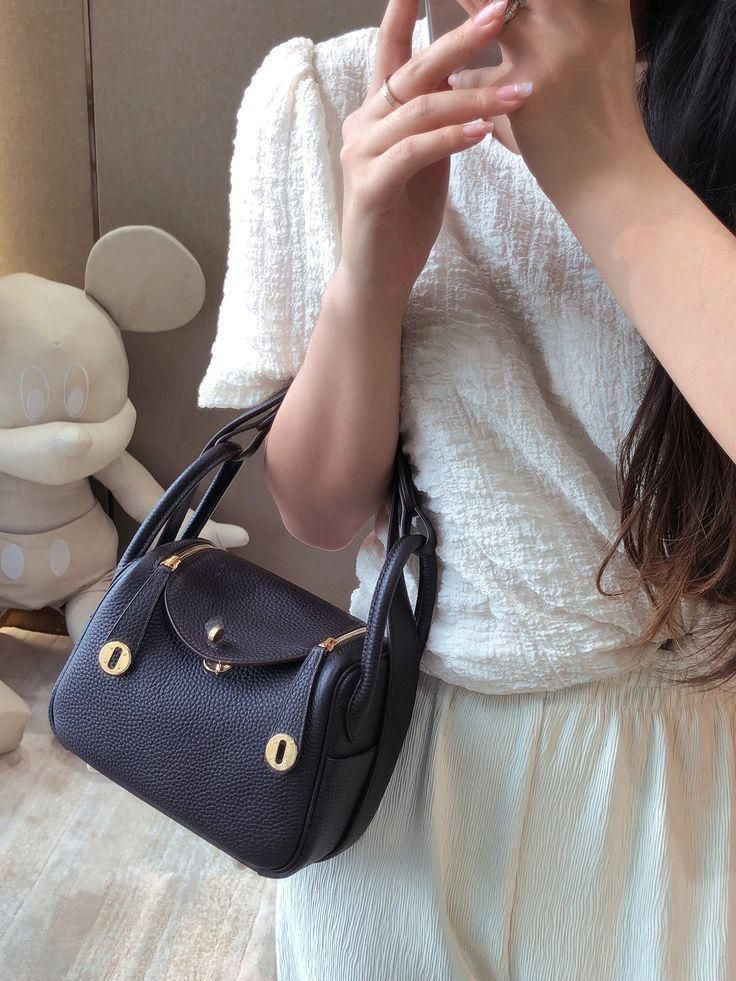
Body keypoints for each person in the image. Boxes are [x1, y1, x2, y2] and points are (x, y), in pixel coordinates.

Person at [198, 0, 736, 976]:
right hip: (411, 775)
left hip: (698, 786)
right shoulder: (331, 93)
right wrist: (368, 280)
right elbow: (318, 511)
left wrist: (609, 172)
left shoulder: (712, 93)